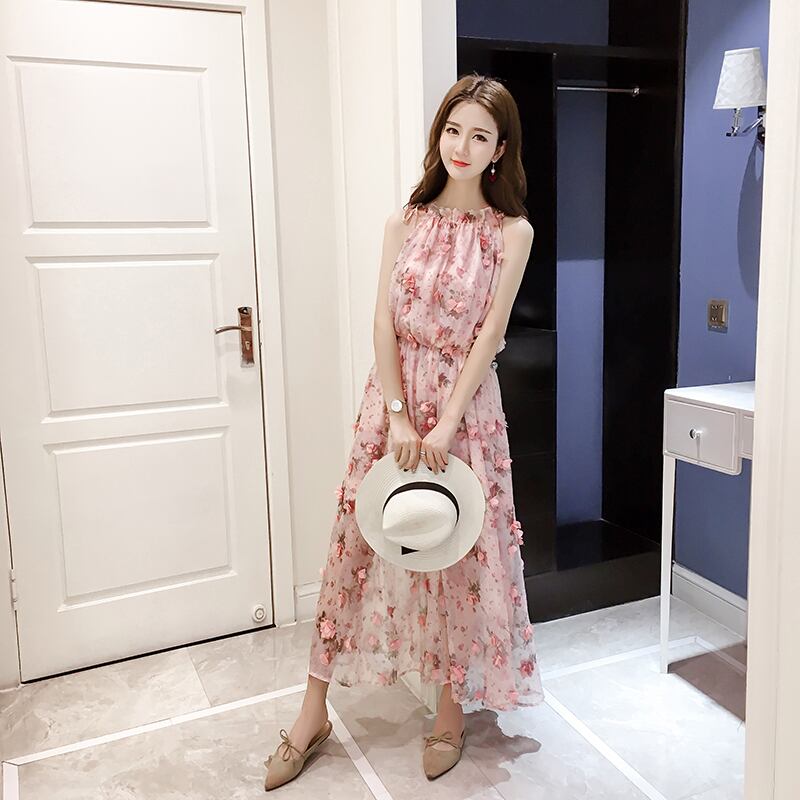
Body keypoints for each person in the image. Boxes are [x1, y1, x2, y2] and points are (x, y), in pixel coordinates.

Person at [264, 72, 545, 791]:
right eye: (452, 129)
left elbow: (490, 334)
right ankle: (312, 710)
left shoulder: (510, 234)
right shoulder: (405, 223)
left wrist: (446, 422)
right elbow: (383, 323)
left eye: (479, 136)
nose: (461, 146)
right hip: (390, 401)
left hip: (465, 409)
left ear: (500, 150)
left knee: (458, 551)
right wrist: (396, 413)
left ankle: (451, 708)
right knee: (353, 545)